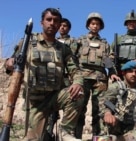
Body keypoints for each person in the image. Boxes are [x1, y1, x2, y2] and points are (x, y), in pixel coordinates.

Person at [4, 8, 84, 141]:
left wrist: (77, 82)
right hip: (35, 102)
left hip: (54, 97)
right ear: (42, 23)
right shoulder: (28, 42)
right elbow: (10, 63)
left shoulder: (64, 49)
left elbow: (75, 71)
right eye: (49, 20)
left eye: (56, 21)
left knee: (77, 94)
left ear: (59, 25)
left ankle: (65, 132)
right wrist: (9, 63)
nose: (52, 23)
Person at [71, 12, 120, 138]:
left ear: (101, 26)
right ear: (88, 25)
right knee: (79, 108)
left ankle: (98, 137)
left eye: (97, 24)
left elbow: (109, 59)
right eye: (93, 23)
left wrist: (113, 73)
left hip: (100, 79)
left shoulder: (105, 43)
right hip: (83, 78)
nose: (95, 26)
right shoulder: (80, 40)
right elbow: (72, 58)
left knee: (100, 109)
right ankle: (76, 137)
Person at [98, 60, 136, 141]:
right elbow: (103, 101)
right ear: (123, 73)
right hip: (116, 124)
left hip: (133, 127)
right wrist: (107, 113)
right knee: (108, 121)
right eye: (130, 71)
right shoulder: (116, 87)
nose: (134, 74)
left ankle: (120, 139)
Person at [110, 9, 136, 86]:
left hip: (134, 71)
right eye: (129, 21)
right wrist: (111, 72)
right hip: (119, 72)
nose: (132, 23)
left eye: (134, 22)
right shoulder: (118, 39)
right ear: (126, 24)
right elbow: (109, 54)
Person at [57, 17, 77, 87]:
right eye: (60, 25)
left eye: (64, 26)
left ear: (69, 29)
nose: (62, 27)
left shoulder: (73, 41)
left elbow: (72, 54)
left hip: (66, 72)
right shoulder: (54, 40)